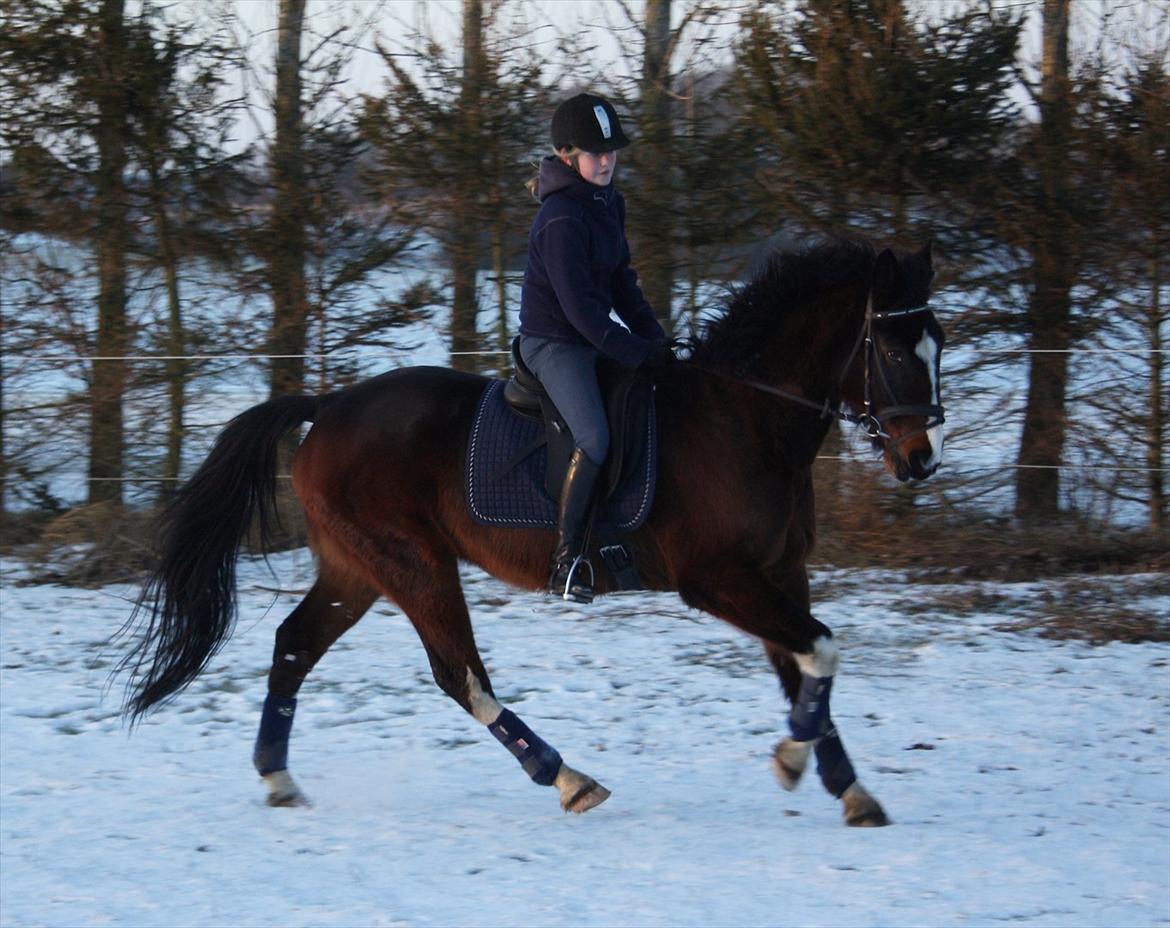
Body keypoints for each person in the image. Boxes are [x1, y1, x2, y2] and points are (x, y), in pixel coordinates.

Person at [518, 91, 673, 604]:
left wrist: (657, 342)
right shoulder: (561, 217)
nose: (606, 160)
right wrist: (631, 351)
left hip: (590, 338)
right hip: (554, 343)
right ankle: (566, 561)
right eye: (594, 152)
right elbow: (581, 310)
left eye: (611, 151)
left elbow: (623, 284)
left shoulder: (608, 203)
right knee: (596, 436)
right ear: (567, 156)